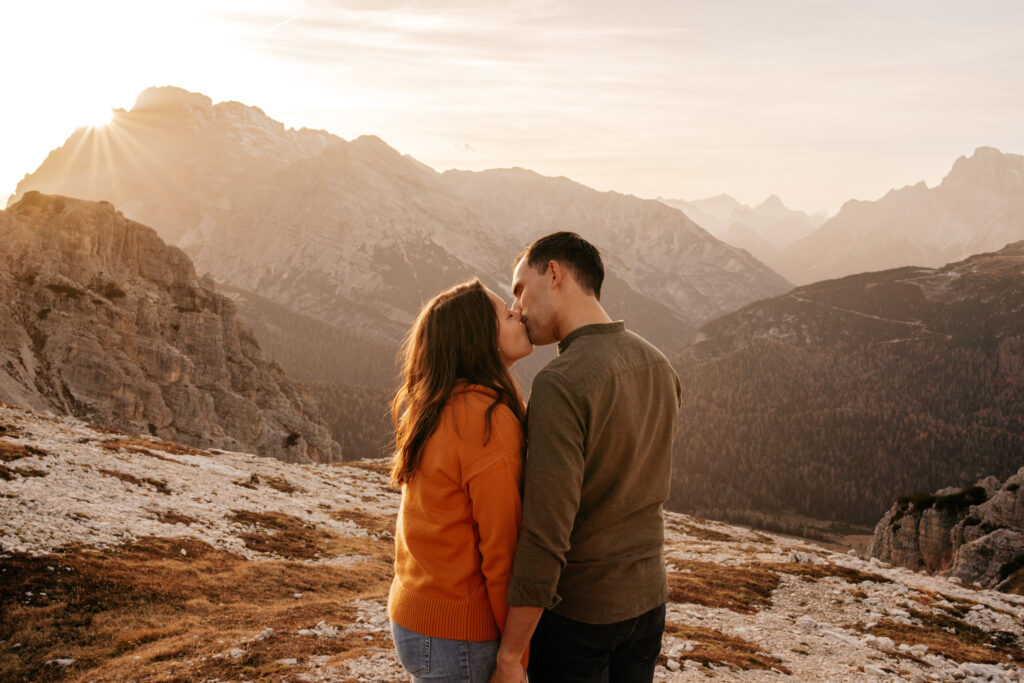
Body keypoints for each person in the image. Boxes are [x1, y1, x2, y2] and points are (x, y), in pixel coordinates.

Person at [490, 232, 682, 683]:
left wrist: (510, 655)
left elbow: (547, 533)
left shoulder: (561, 383)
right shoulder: (659, 365)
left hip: (580, 617)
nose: (515, 307)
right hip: (649, 602)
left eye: (519, 288)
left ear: (553, 273)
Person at [388, 278, 534, 682]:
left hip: (416, 615)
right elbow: (502, 548)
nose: (518, 311)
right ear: (480, 340)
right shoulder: (485, 420)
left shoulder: (434, 403)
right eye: (507, 314)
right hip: (459, 633)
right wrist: (514, 659)